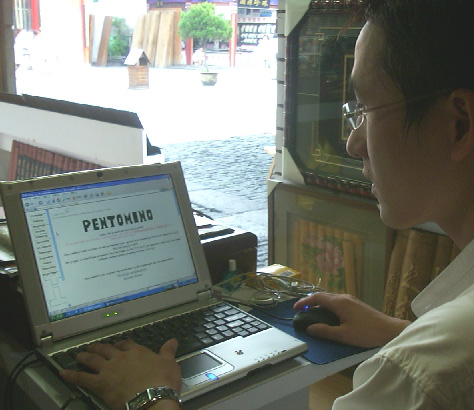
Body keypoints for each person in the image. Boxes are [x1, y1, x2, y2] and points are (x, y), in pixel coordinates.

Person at [60, 0, 474, 408]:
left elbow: (437, 368)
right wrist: (398, 331)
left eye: (366, 109)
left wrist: (149, 396)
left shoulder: (423, 373)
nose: (352, 142)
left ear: (459, 125)